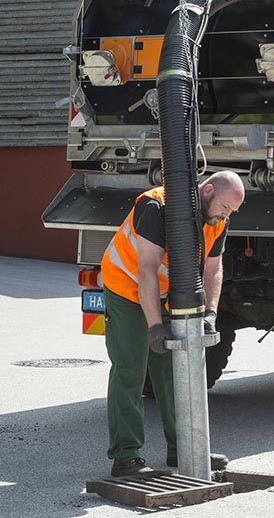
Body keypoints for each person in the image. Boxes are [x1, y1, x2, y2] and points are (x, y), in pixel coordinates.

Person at [100, 170, 245, 477]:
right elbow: (147, 271)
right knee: (130, 369)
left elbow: (213, 271)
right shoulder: (155, 206)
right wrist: (154, 326)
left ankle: (184, 450)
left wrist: (210, 314)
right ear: (207, 191)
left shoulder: (216, 221)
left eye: (231, 211)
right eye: (225, 207)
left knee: (172, 372)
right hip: (126, 287)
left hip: (163, 292)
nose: (225, 215)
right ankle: (126, 457)